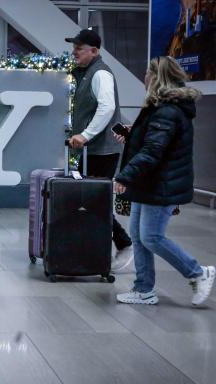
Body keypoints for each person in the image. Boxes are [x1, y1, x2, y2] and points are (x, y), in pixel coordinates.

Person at [114, 56, 214, 306]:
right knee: (138, 235)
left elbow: (153, 151)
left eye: (147, 73)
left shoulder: (167, 110)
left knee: (151, 237)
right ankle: (144, 289)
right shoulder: (162, 107)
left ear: (157, 78)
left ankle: (199, 273)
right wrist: (132, 136)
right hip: (151, 182)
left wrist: (125, 176)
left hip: (161, 183)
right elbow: (153, 143)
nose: (144, 78)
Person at [65, 29, 133, 268]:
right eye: (74, 47)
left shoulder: (100, 74)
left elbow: (106, 108)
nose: (74, 52)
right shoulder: (84, 73)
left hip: (102, 150)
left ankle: (124, 243)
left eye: (79, 48)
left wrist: (85, 135)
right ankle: (93, 249)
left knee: (96, 201)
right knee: (88, 200)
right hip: (91, 150)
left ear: (94, 51)